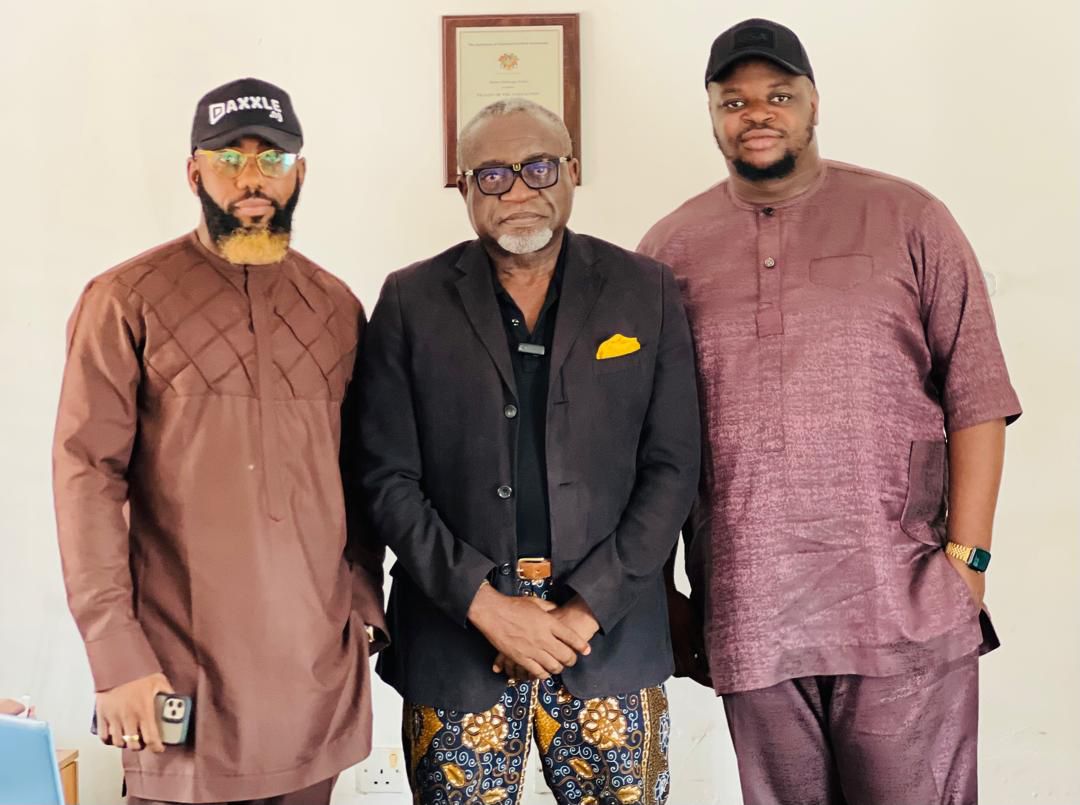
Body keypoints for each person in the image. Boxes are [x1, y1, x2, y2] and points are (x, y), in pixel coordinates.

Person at [639, 19, 1022, 805]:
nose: (757, 113)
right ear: (712, 114)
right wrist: (663, 592)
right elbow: (643, 438)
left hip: (902, 595)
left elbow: (977, 394)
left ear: (814, 102)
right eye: (734, 100)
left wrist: (968, 561)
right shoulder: (670, 249)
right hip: (748, 604)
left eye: (778, 95)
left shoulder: (909, 218)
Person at [356, 98, 699, 804]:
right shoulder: (410, 301)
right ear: (463, 186)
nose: (517, 190)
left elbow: (672, 469)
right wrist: (485, 606)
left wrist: (584, 611)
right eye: (492, 174)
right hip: (458, 640)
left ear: (571, 170)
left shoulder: (646, 291)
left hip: (609, 636)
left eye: (538, 167)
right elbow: (386, 477)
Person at [52, 77, 385, 805]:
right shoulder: (124, 300)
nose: (250, 178)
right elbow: (86, 478)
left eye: (273, 159)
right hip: (177, 668)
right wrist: (115, 654)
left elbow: (363, 471)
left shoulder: (335, 307)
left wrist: (364, 599)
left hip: (314, 677)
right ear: (193, 171)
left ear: (301, 172)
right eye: (228, 158)